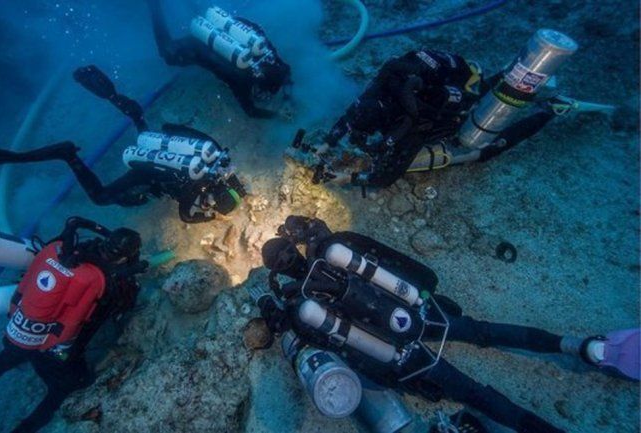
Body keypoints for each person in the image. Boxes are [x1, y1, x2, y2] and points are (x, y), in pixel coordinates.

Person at [251, 215, 640, 433]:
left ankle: (574, 347)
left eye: (285, 253)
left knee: (478, 381)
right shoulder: (323, 263)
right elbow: (377, 263)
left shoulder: (311, 280)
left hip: (406, 337)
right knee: (482, 355)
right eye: (282, 259)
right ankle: (577, 347)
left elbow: (324, 335)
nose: (289, 260)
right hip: (413, 325)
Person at [0, 65, 247, 224]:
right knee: (101, 197)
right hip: (147, 171)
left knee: (142, 130)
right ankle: (67, 156)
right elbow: (186, 216)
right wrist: (209, 218)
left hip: (161, 149)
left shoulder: (216, 159)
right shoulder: (195, 192)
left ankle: (124, 106)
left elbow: (181, 132)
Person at [0, 217, 146, 433]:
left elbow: (26, 283)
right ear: (124, 256)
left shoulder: (59, 250)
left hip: (22, 330)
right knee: (67, 388)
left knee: (3, 361)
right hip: (57, 350)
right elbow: (115, 311)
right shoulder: (107, 282)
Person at [306, 49, 586, 188]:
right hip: (447, 83)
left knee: (481, 149)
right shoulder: (387, 80)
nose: (359, 136)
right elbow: (351, 115)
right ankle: (506, 75)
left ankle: (549, 110)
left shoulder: (412, 121)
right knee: (478, 97)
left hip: (449, 111)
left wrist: (346, 177)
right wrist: (327, 144)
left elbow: (383, 178)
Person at [146, 0, 292, 118]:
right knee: (167, 54)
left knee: (201, 15)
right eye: (262, 91)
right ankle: (154, 5)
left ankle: (198, 12)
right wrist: (276, 115)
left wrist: (287, 99)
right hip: (199, 47)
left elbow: (286, 72)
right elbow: (251, 111)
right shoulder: (242, 80)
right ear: (258, 81)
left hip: (229, 27)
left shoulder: (267, 52)